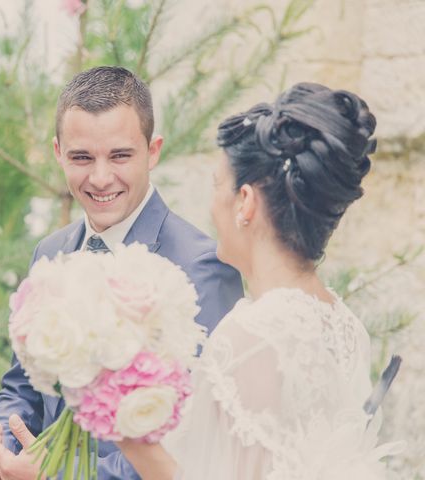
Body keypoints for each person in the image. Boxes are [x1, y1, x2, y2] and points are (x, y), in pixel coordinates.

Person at [110, 83, 402, 478]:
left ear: (244, 201)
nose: (212, 204)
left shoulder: (251, 335)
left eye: (217, 186)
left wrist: (129, 435)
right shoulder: (347, 329)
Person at [0, 66, 244, 479]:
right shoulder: (51, 251)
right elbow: (21, 385)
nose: (99, 177)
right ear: (59, 152)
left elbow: (191, 440)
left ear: (153, 151)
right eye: (82, 157)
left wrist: (52, 475)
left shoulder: (201, 268)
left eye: (120, 155)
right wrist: (1, 455)